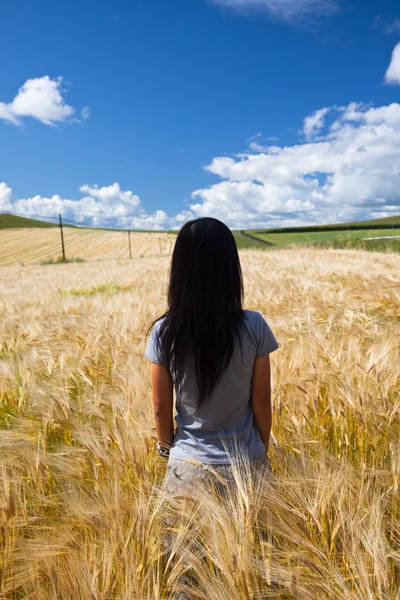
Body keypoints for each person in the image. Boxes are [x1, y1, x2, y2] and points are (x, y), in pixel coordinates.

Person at [144, 217, 280, 501]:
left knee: (183, 546)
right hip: (248, 465)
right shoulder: (254, 325)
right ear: (231, 268)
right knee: (257, 545)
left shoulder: (164, 332)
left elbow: (160, 409)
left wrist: (172, 452)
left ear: (179, 270)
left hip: (187, 471)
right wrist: (258, 450)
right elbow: (262, 402)